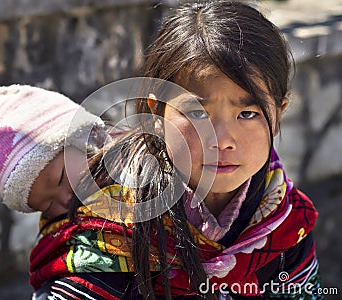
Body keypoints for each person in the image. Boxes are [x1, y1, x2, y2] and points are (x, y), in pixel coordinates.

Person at [29, 1, 322, 299]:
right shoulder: (110, 216)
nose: (221, 141)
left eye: (247, 114)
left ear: (277, 116)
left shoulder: (286, 222)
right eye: (196, 114)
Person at [0, 84, 110, 219]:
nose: (66, 200)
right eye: (48, 206)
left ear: (82, 138)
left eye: (61, 178)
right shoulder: (65, 234)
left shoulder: (129, 171)